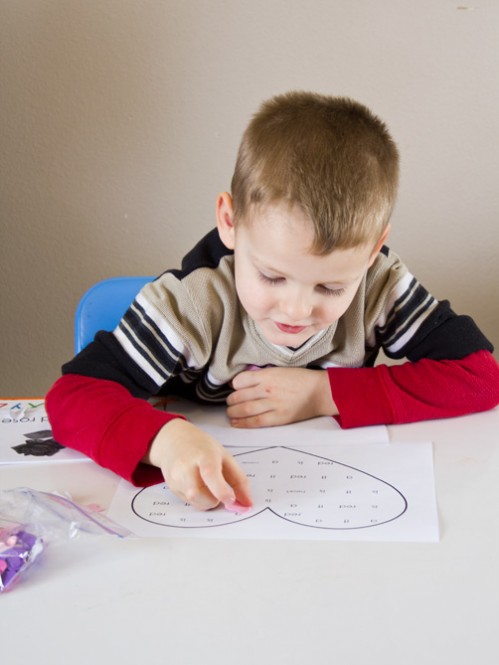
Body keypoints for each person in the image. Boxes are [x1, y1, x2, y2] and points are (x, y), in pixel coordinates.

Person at [46, 91, 499, 512]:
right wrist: (164, 440)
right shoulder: (192, 304)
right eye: (271, 276)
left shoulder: (379, 284)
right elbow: (72, 397)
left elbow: (480, 377)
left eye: (330, 288)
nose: (297, 311)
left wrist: (325, 395)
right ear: (230, 221)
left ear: (373, 248)